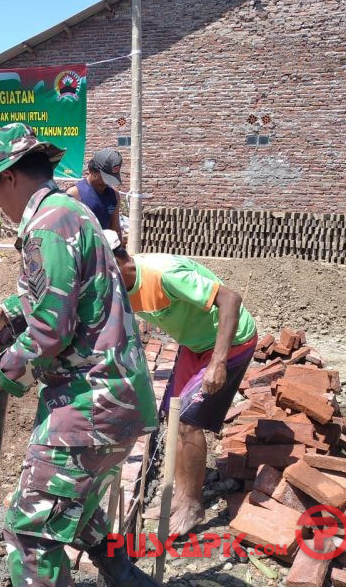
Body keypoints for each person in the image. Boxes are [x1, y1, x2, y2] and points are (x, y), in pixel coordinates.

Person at [0, 123, 159, 587]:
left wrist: (2, 369)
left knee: (31, 531)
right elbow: (69, 293)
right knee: (83, 513)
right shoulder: (70, 212)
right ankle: (128, 579)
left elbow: (52, 329)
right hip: (118, 398)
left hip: (88, 403)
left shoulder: (47, 227)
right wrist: (5, 309)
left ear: (8, 178)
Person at [103, 229, 258, 535]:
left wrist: (218, 363)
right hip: (195, 344)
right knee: (171, 416)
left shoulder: (165, 274)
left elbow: (231, 299)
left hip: (230, 343)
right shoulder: (118, 285)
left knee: (187, 421)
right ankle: (178, 492)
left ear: (116, 262)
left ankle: (192, 504)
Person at [66, 148, 123, 233]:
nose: (106, 182)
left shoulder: (114, 195)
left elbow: (115, 229)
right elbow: (66, 229)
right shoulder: (74, 194)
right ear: (92, 171)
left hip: (106, 245)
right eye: (104, 178)